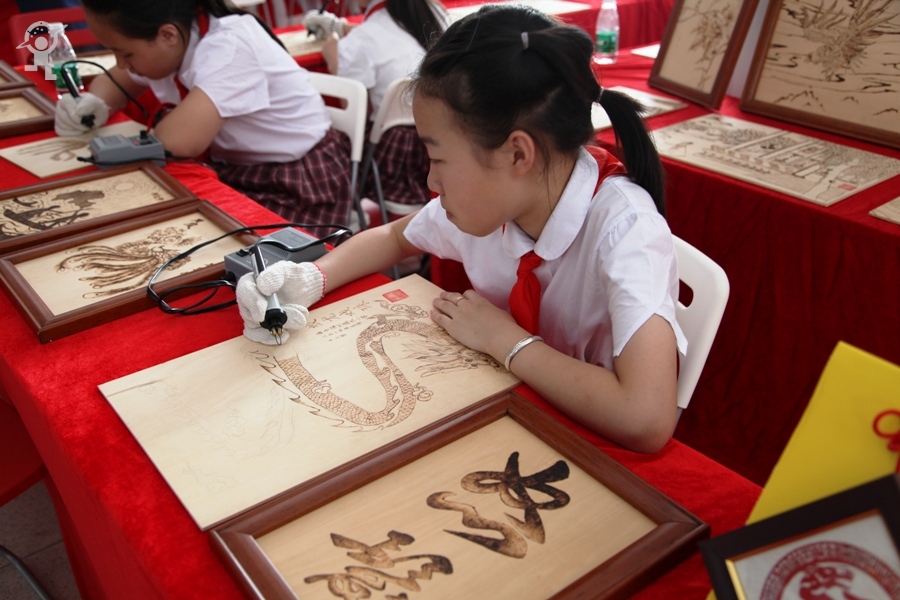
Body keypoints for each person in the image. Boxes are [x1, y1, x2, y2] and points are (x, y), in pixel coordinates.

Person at [237, 5, 687, 454]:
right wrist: (312, 279)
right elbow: (393, 238)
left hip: (587, 445)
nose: (431, 183)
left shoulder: (625, 231)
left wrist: (506, 341)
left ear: (517, 155)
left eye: (438, 159)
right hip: (507, 414)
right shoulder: (498, 201)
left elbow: (645, 418)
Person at [53, 0, 354, 232]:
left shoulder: (229, 47)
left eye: (126, 54)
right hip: (240, 168)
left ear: (167, 35)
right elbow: (114, 81)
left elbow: (178, 141)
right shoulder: (180, 39)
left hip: (298, 179)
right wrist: (93, 103)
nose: (121, 63)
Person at [304, 0, 447, 215]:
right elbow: (393, 37)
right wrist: (339, 28)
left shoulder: (361, 40)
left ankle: (345, 213)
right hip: (443, 141)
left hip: (396, 160)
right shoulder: (432, 11)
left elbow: (354, 116)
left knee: (329, 141)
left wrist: (334, 61)